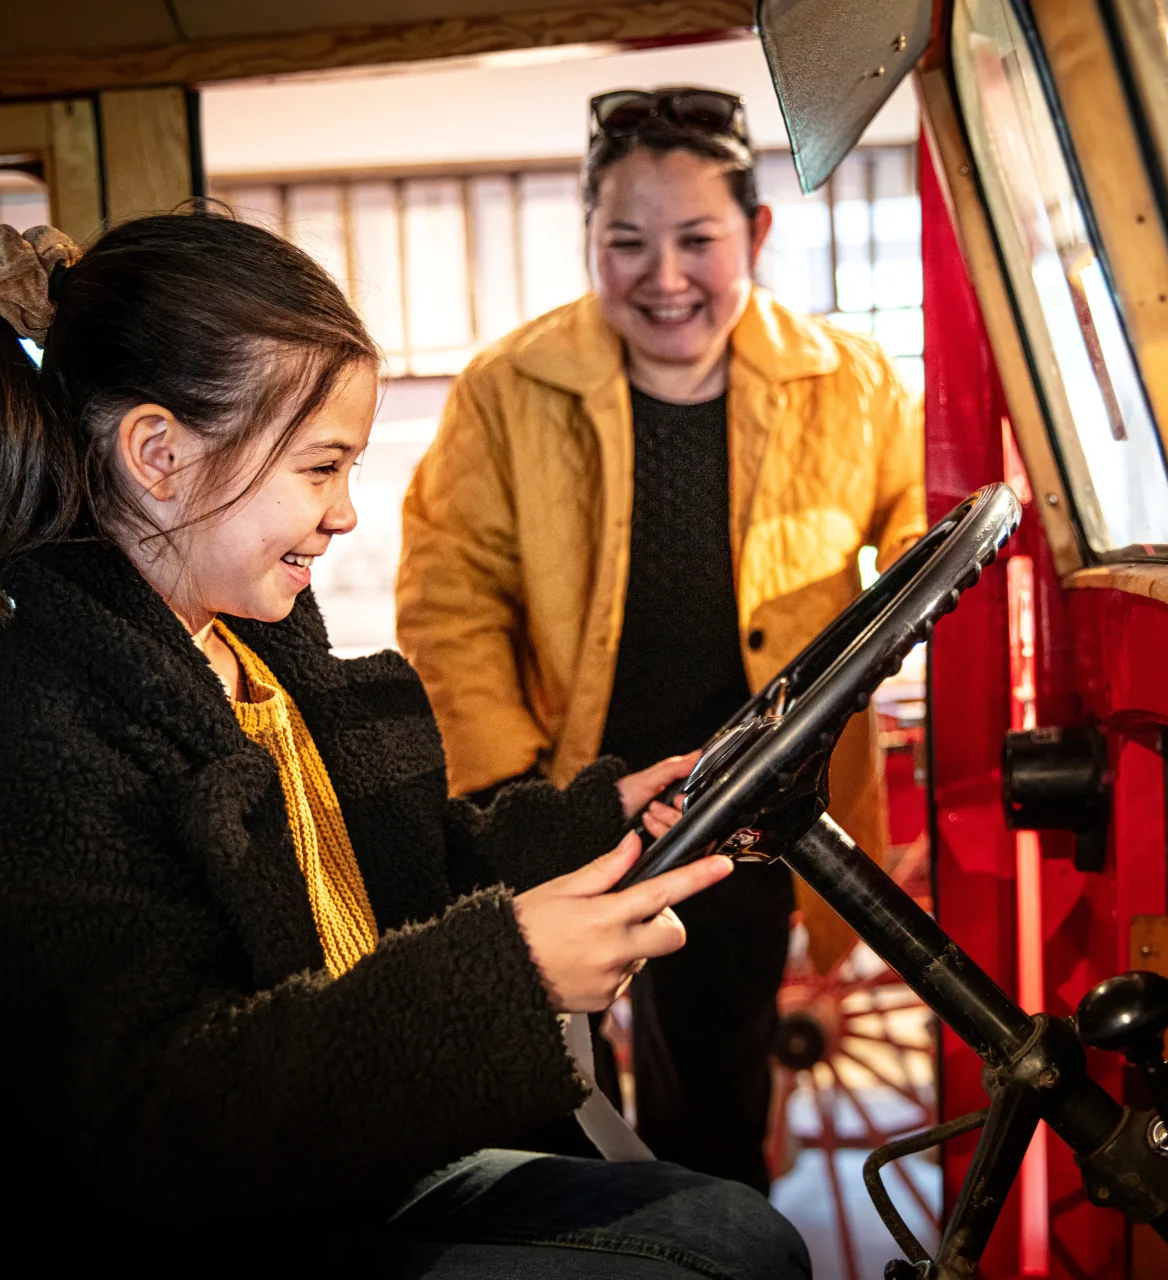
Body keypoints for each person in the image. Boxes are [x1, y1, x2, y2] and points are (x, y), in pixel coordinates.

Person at [0, 209, 811, 1279]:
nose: (346, 512)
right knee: (730, 1247)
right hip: (190, 1237)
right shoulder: (47, 744)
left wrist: (596, 823)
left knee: (731, 1222)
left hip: (333, 1178)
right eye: (321, 467)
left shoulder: (254, 661)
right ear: (160, 455)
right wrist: (505, 975)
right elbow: (163, 1120)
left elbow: (399, 874)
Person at [396, 88, 925, 1192]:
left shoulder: (852, 379)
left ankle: (713, 1243)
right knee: (554, 1083)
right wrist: (508, 789)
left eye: (698, 240)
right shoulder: (508, 387)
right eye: (626, 242)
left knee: (717, 1082)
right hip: (576, 786)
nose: (666, 277)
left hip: (756, 795)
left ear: (758, 235)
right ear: (587, 238)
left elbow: (921, 527)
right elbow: (450, 593)